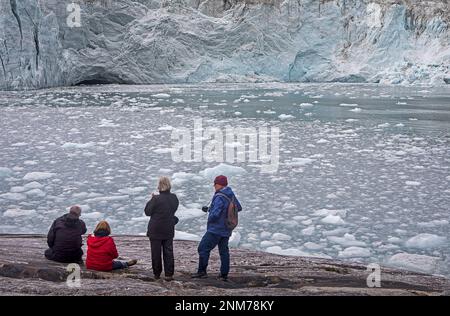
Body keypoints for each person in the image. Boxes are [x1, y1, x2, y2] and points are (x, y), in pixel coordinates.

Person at [192, 175, 242, 281]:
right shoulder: (230, 194)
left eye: (215, 184)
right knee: (224, 251)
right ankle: (224, 274)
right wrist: (210, 209)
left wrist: (211, 217)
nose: (214, 186)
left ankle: (202, 272)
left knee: (203, 248)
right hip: (227, 229)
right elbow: (239, 207)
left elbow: (216, 213)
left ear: (219, 184)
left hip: (215, 229)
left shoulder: (219, 196)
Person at [144, 176, 179, 281]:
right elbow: (173, 209)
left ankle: (157, 274)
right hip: (168, 228)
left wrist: (151, 200)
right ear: (169, 186)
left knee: (156, 252)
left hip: (155, 229)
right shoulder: (174, 198)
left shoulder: (156, 199)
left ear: (159, 186)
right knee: (168, 251)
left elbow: (147, 212)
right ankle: (169, 274)